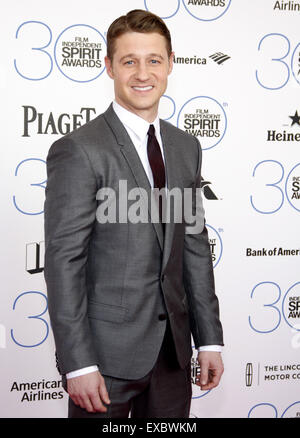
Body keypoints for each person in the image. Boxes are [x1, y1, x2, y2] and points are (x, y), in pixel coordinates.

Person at [44, 9, 224, 418]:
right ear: (109, 67)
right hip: (105, 361)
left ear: (170, 63)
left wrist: (209, 339)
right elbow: (64, 260)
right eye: (129, 61)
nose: (143, 73)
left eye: (153, 60)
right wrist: (79, 362)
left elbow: (193, 243)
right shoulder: (79, 149)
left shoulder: (185, 146)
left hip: (173, 356)